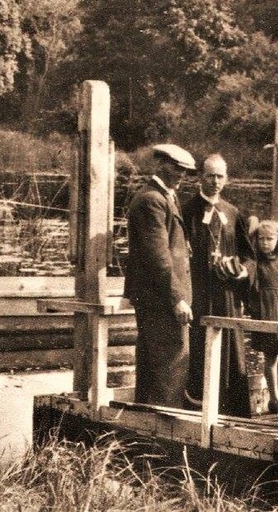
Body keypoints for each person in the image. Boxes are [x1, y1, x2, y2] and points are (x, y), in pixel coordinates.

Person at [123, 143, 197, 408]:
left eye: (185, 171)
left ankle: (151, 417)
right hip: (160, 297)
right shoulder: (152, 200)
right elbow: (157, 256)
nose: (181, 175)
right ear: (160, 165)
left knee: (156, 362)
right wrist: (177, 297)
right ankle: (166, 422)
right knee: (170, 361)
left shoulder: (164, 196)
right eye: (176, 169)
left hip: (157, 296)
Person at [181, 154, 254, 416]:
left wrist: (240, 270)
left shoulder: (233, 213)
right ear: (201, 176)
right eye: (210, 175)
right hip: (199, 294)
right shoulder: (186, 210)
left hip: (227, 296)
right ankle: (199, 408)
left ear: (227, 179)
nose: (215, 182)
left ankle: (233, 409)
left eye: (220, 176)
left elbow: (250, 257)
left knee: (231, 350)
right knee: (199, 347)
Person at [245, 220, 278, 415]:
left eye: (270, 239)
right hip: (265, 309)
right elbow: (248, 287)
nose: (265, 243)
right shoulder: (254, 262)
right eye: (261, 239)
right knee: (271, 356)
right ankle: (274, 398)